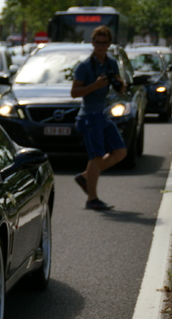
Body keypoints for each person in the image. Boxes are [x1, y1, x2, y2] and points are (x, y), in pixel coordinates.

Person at [71, 25, 127, 211]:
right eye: (97, 42)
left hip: (103, 114)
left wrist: (121, 86)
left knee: (120, 152)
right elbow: (74, 93)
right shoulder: (85, 66)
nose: (100, 46)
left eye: (104, 43)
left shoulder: (111, 63)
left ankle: (86, 176)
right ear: (92, 43)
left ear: (109, 44)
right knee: (96, 156)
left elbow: (117, 82)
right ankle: (92, 199)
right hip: (89, 116)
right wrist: (94, 86)